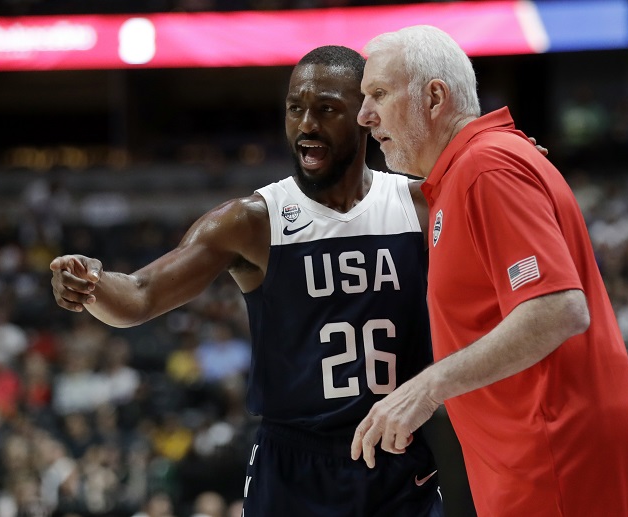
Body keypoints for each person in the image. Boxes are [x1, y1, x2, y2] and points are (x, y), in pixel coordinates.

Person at [50, 45, 443, 517]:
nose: (306, 125)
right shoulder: (253, 220)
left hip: (398, 456)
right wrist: (91, 282)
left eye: (326, 110)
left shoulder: (422, 205)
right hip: (294, 464)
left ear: (362, 114)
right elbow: (139, 296)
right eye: (295, 108)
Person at [350, 25, 628, 517]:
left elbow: (557, 310)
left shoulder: (486, 168)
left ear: (434, 97)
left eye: (378, 94)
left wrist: (425, 387)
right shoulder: (470, 171)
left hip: (558, 455)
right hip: (538, 456)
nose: (364, 116)